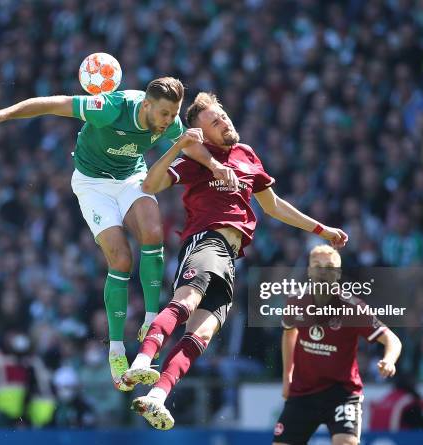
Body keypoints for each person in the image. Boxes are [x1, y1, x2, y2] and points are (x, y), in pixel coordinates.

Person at [0, 77, 238, 390]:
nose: (170, 121)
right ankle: (116, 349)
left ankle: (151, 319)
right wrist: (1, 115)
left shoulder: (169, 123)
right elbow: (50, 104)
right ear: (146, 105)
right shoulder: (110, 108)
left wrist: (216, 166)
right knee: (121, 259)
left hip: (130, 178)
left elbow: (191, 147)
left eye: (174, 113)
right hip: (92, 184)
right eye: (165, 114)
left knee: (153, 231)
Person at [120, 92, 348, 430]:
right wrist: (178, 145)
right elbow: (150, 184)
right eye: (214, 122)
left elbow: (272, 205)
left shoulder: (246, 155)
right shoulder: (197, 158)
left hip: (229, 258)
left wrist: (320, 229)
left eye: (223, 115)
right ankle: (141, 359)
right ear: (202, 133)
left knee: (202, 333)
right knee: (187, 301)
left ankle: (157, 395)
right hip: (205, 240)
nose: (224, 122)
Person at [273, 245, 403, 445]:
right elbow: (289, 333)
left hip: (341, 392)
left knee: (345, 442)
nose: (323, 271)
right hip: (303, 390)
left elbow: (392, 340)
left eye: (329, 266)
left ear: (338, 273)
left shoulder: (353, 307)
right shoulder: (296, 301)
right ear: (309, 271)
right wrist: (286, 376)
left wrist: (389, 360)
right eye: (317, 265)